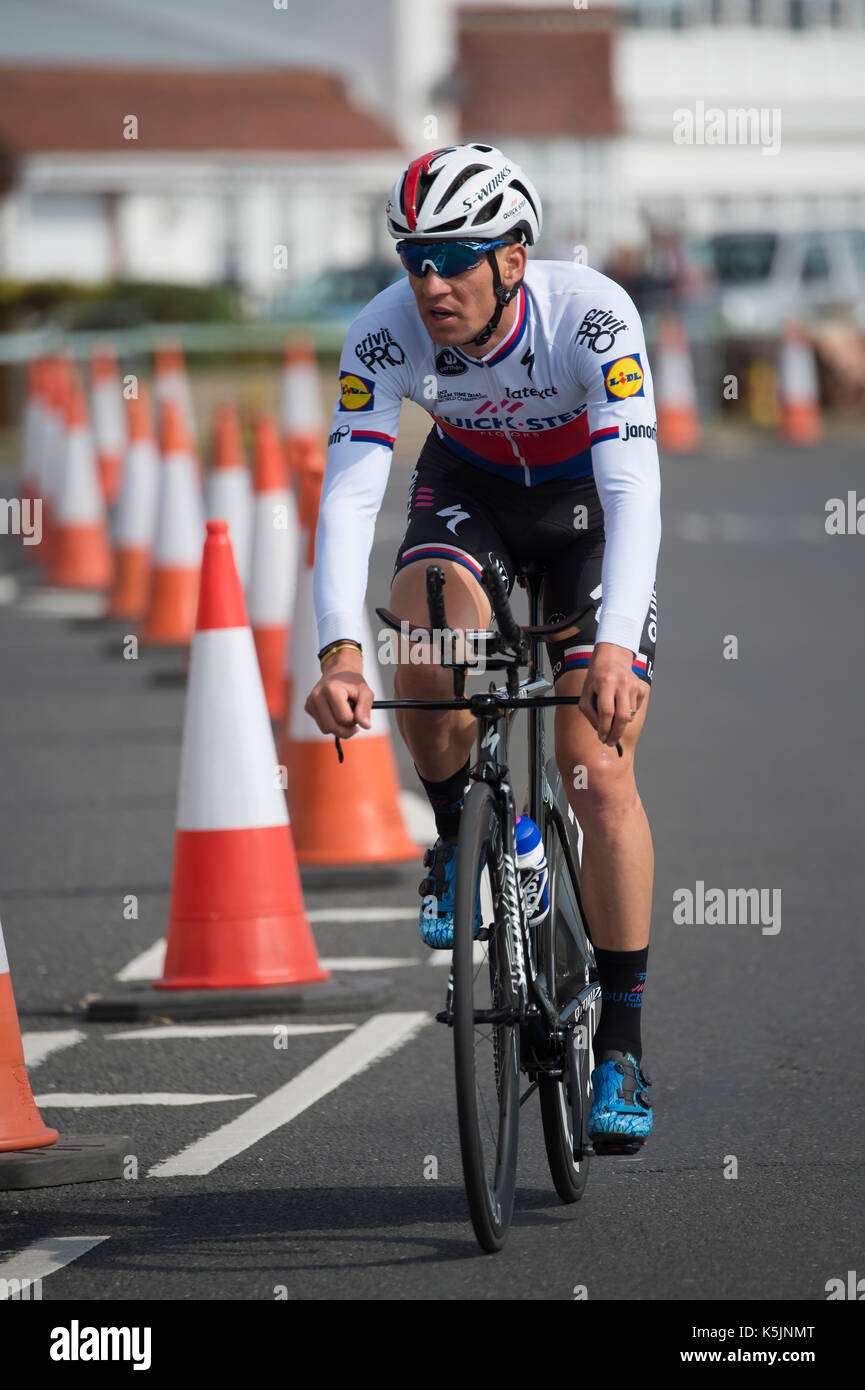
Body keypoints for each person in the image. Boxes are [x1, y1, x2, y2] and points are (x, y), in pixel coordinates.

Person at [304, 144, 660, 1148]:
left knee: (594, 770)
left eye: (452, 257)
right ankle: (466, 830)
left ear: (511, 258)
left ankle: (623, 1040)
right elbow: (348, 495)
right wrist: (337, 651)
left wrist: (618, 648)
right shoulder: (382, 334)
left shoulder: (589, 315)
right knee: (420, 626)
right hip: (471, 497)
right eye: (413, 255)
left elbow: (634, 491)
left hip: (584, 510)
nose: (427, 281)